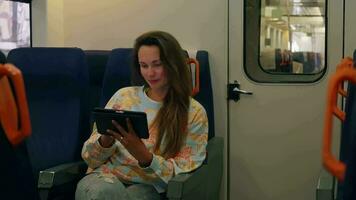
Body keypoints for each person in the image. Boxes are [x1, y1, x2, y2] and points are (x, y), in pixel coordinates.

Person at [75, 31, 208, 200]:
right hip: (103, 178)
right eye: (144, 66)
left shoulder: (194, 112)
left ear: (173, 64)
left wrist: (144, 156)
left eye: (157, 64)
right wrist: (105, 142)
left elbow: (184, 171)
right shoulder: (123, 96)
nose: (150, 73)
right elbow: (90, 159)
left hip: (148, 186)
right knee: (103, 193)